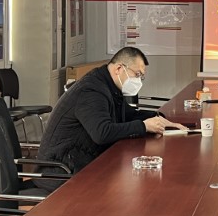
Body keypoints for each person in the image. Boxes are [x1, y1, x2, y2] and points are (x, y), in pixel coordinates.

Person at [36, 47, 187, 190]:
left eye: (142, 76)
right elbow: (102, 133)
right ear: (119, 68)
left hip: (82, 162)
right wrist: (144, 126)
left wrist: (158, 118)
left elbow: (127, 114)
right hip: (60, 171)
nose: (139, 81)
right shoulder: (91, 91)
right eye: (137, 75)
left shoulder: (108, 85)